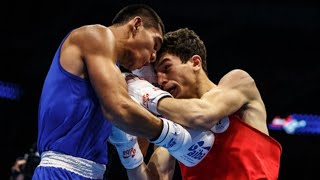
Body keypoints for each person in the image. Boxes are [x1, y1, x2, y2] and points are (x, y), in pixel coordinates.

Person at [33, 4, 214, 180]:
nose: (152, 56)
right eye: (155, 44)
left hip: (90, 172)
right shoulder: (96, 35)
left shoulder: (114, 75)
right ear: (136, 25)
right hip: (60, 172)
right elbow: (118, 109)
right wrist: (176, 137)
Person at [125, 27, 282, 180]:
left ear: (195, 62)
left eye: (167, 68)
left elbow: (202, 115)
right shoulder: (173, 127)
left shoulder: (239, 82)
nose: (161, 81)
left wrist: (145, 94)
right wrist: (126, 148)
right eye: (157, 77)